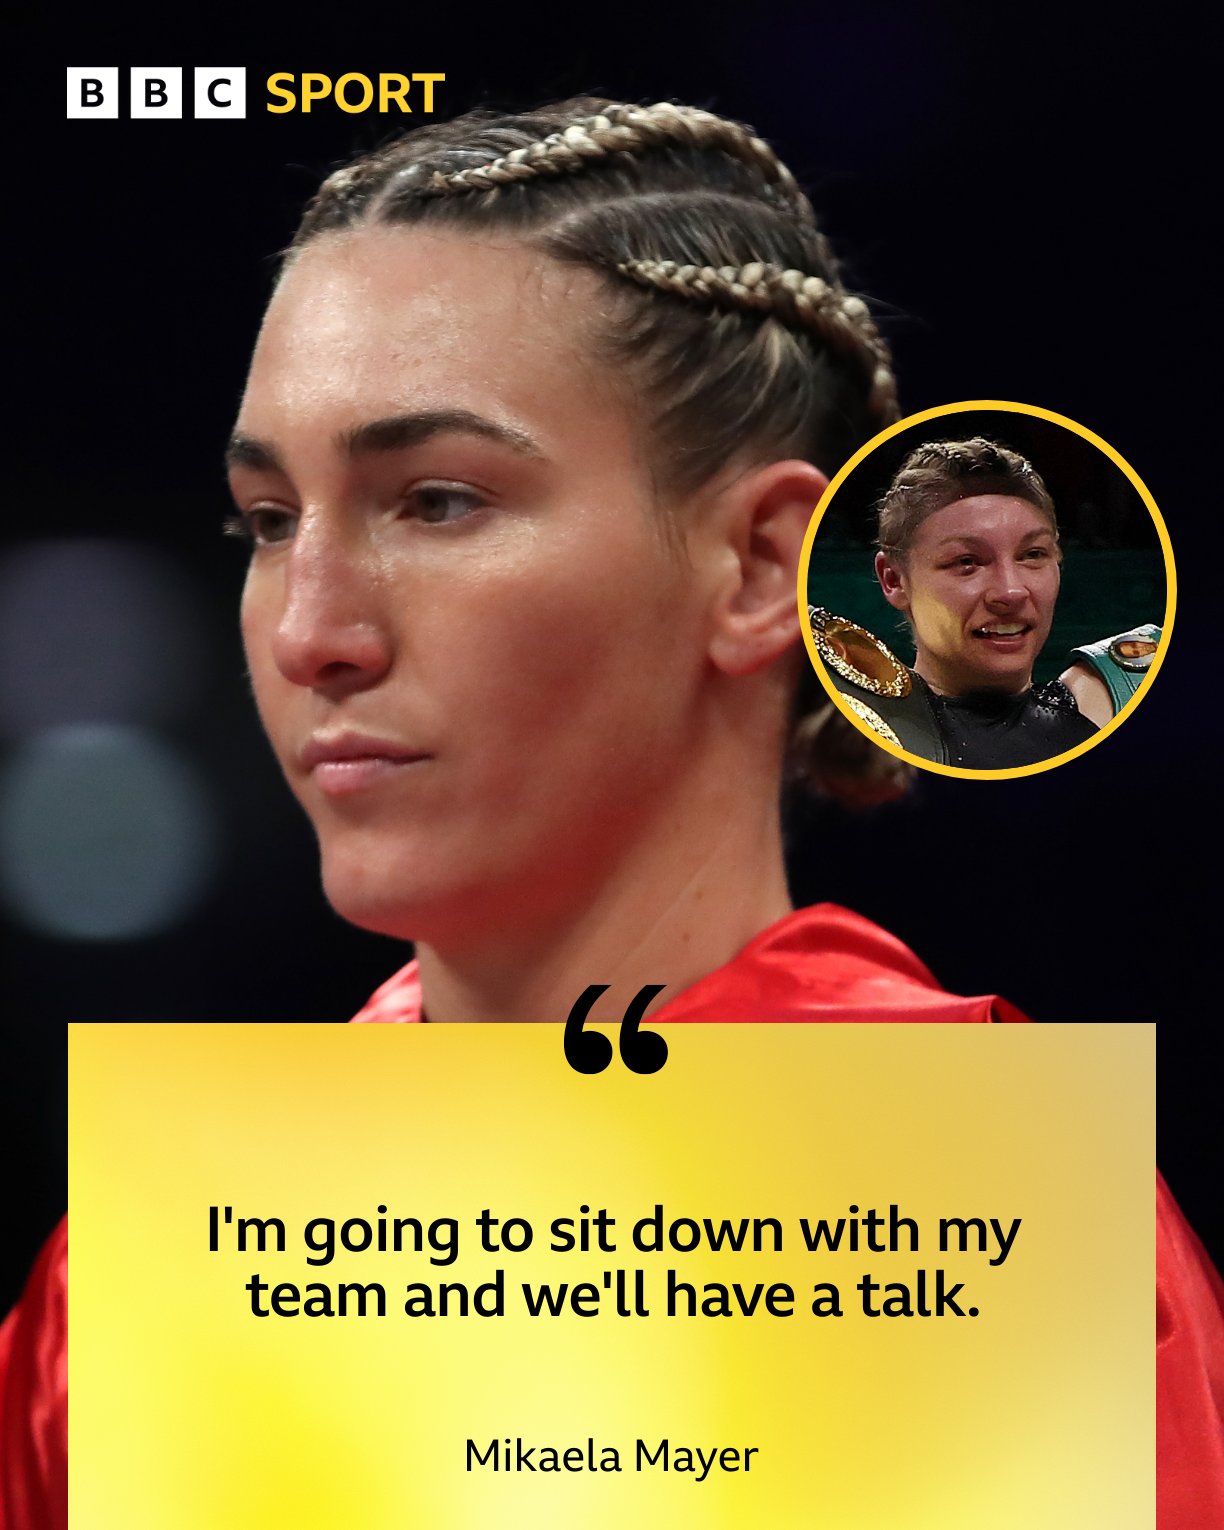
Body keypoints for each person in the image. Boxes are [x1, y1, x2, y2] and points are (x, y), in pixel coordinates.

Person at [2, 98, 1218, 1528]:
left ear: (763, 564)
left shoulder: (989, 1215)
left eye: (436, 500)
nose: (310, 630)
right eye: (269, 521)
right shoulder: (152, 1263)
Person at [810, 436, 1162, 768]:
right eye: (967, 562)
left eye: (1033, 554)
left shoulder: (1121, 696)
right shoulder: (844, 728)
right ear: (893, 579)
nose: (1010, 592)